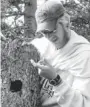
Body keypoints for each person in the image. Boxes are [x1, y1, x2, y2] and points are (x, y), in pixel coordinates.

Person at [31, 0, 90, 107]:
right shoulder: (41, 45)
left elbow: (84, 104)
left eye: (52, 30)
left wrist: (55, 80)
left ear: (66, 23)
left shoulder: (84, 55)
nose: (49, 37)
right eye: (44, 32)